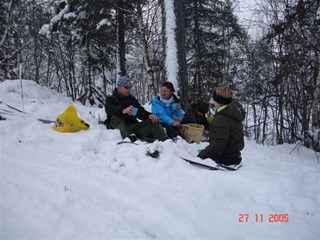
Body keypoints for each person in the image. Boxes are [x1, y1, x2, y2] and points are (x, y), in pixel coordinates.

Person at [105, 76, 167, 142]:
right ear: (119, 87)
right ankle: (129, 137)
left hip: (133, 127)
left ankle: (164, 140)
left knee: (153, 119)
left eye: (130, 87)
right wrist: (122, 111)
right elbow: (110, 111)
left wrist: (149, 115)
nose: (129, 89)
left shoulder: (131, 99)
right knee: (115, 117)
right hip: (119, 127)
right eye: (126, 87)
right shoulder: (111, 99)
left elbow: (139, 112)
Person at [197, 86, 245, 166]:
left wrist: (201, 155)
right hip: (235, 156)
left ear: (218, 101)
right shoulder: (231, 113)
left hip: (226, 159)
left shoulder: (221, 119)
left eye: (214, 100)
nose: (213, 102)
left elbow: (219, 144)